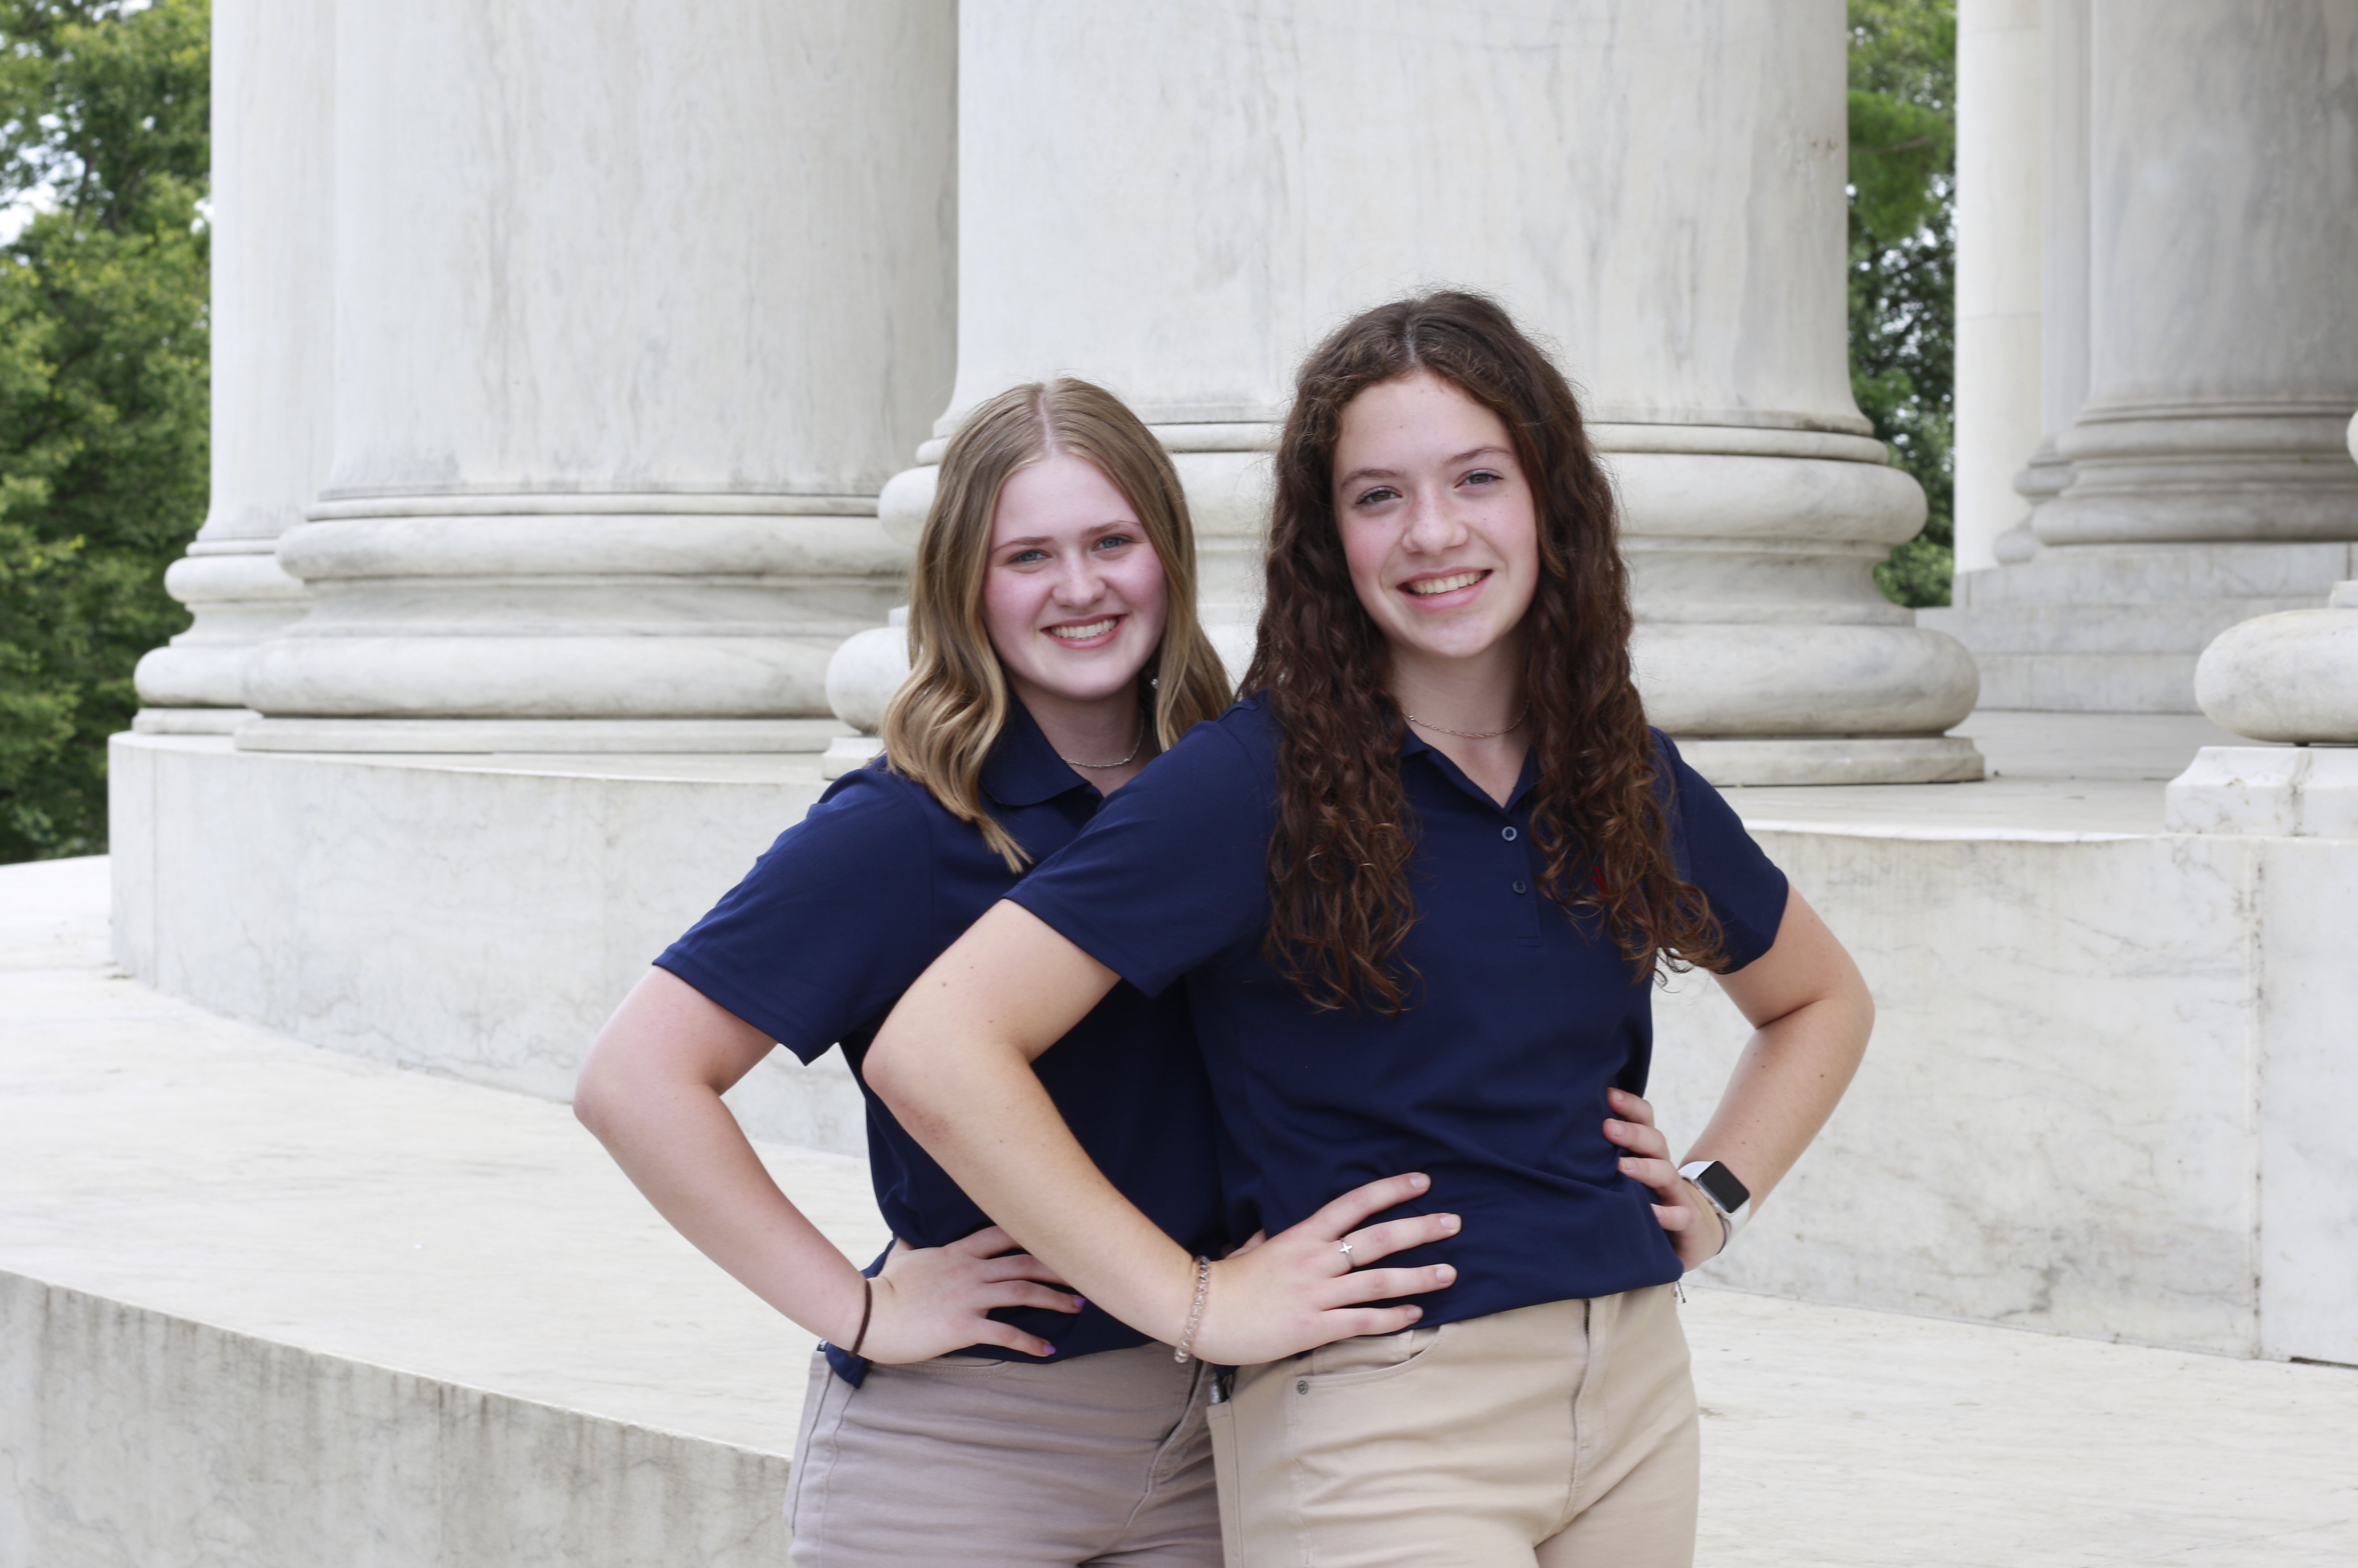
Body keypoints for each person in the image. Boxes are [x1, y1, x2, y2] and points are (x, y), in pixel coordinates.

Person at [864, 292, 1878, 1566]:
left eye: (1476, 478)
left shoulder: (1620, 768)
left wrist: (1718, 1192)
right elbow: (938, 1047)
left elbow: (1821, 1001)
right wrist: (1193, 1301)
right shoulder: (1251, 784)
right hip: (1378, 1422)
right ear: (1325, 537)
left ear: (1549, 500)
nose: (1434, 533)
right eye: (1378, 496)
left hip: (1630, 1393)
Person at [574, 378, 1458, 1567]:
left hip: (1226, 1441)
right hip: (966, 1455)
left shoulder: (1249, 792)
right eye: (1027, 555)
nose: (1081, 587)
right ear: (964, 587)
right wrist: (863, 1308)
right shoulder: (902, 830)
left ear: (1168, 556)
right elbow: (636, 1080)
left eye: (1111, 542)